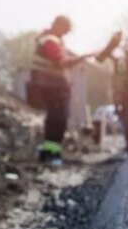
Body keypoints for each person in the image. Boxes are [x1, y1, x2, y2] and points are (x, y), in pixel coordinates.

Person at [30, 16, 87, 165]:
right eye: (66, 30)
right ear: (58, 26)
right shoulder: (51, 41)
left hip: (51, 86)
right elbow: (61, 62)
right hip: (53, 87)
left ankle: (49, 153)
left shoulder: (47, 39)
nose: (66, 34)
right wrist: (83, 57)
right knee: (58, 121)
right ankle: (52, 155)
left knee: (54, 120)